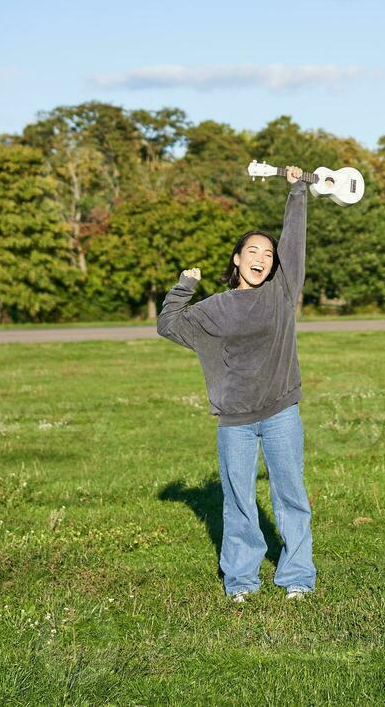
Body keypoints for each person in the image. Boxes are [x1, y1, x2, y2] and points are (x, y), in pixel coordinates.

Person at [156, 166, 316, 602]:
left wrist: (298, 191)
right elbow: (168, 325)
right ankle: (242, 581)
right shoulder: (216, 309)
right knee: (240, 502)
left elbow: (294, 241)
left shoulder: (282, 291)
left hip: (282, 411)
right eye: (253, 251)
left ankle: (297, 577)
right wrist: (184, 285)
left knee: (291, 496)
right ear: (237, 258)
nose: (262, 257)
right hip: (235, 421)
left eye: (267, 252)